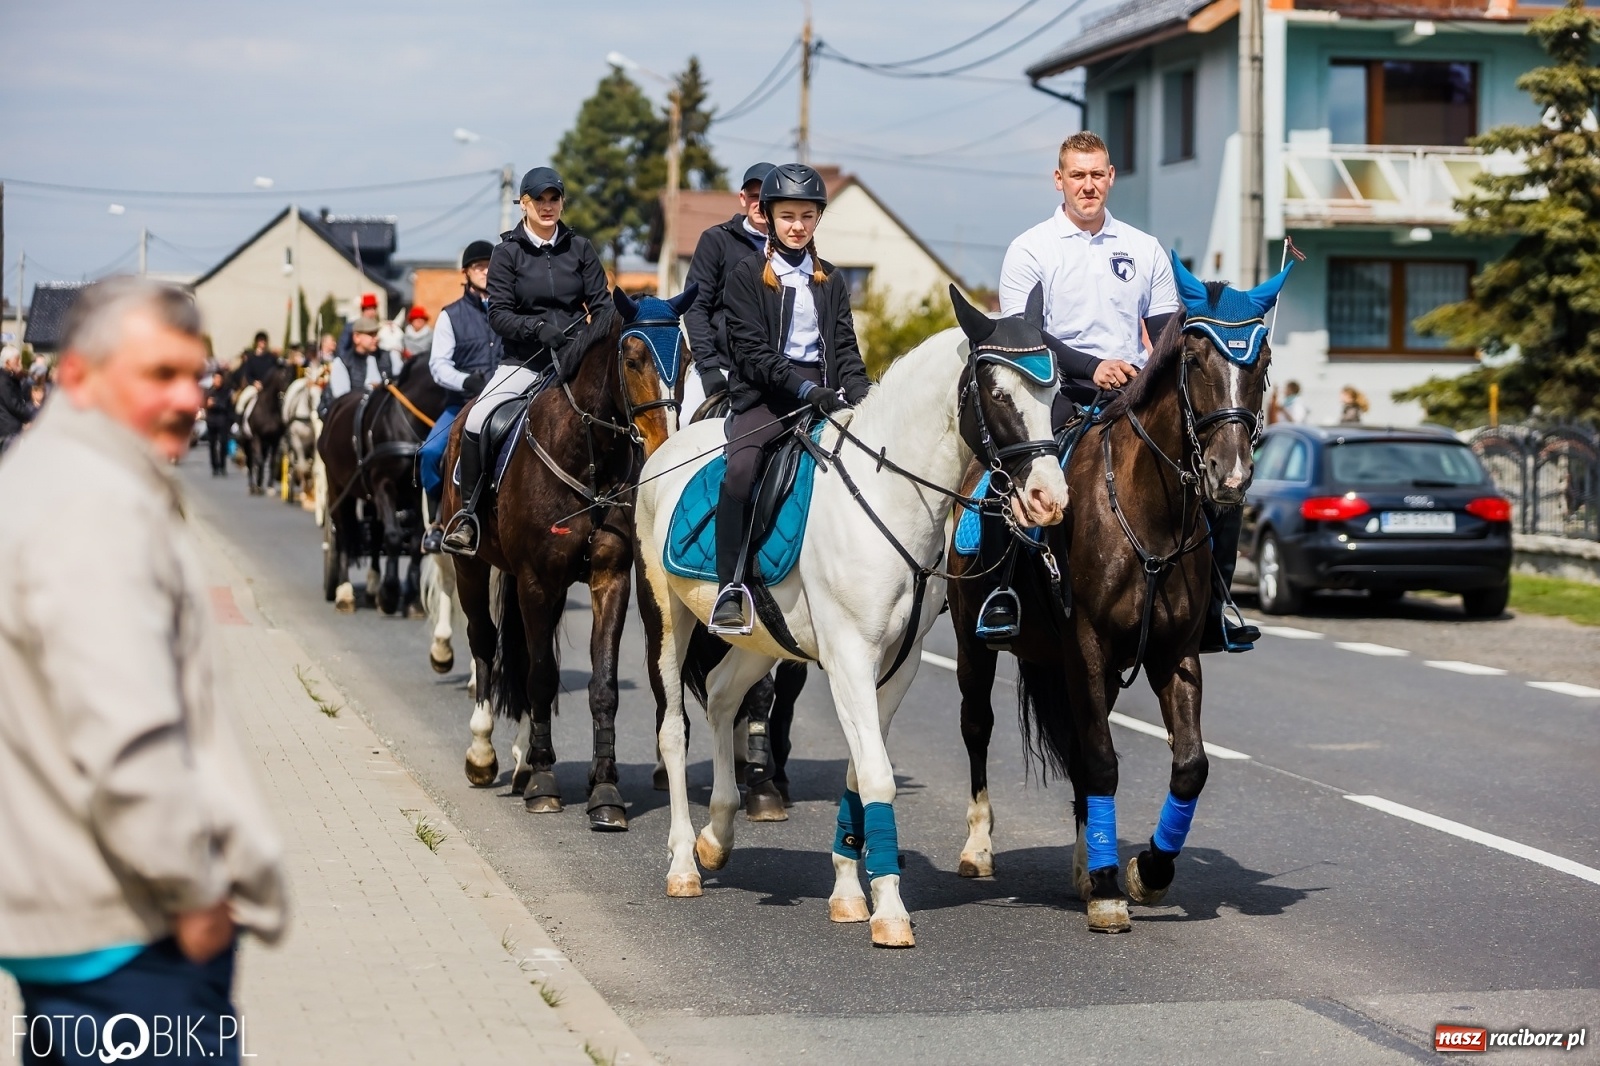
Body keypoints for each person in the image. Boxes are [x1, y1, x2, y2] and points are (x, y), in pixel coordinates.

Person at [0, 277, 287, 1065]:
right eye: (157, 375)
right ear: (79, 376)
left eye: (193, 374)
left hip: (74, 927)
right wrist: (194, 892)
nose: (190, 398)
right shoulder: (93, 507)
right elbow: (126, 737)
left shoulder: (44, 474)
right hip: (131, 932)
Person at [995, 130, 1255, 652]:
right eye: (1077, 176)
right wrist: (1092, 367)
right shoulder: (1029, 249)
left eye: (1097, 175)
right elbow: (1026, 335)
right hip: (1055, 391)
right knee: (1013, 482)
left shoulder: (1143, 248)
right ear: (1059, 180)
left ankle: (1215, 601)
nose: (1087, 186)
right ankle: (1004, 595)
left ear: (1110, 177)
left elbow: (1165, 333)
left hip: (1132, 391)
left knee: (1217, 475)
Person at [712, 163, 871, 634]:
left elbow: (845, 349)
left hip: (822, 392)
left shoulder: (832, 280)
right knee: (741, 471)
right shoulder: (744, 275)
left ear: (817, 218)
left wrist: (865, 398)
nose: (797, 226)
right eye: (787, 216)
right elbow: (752, 352)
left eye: (806, 216)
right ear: (768, 217)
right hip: (765, 396)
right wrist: (805, 390)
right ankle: (729, 586)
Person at [441, 166, 608, 556]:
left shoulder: (580, 248)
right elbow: (497, 313)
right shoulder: (506, 253)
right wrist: (537, 329)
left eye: (555, 199)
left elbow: (602, 308)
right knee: (479, 420)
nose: (548, 207)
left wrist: (583, 339)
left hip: (575, 361)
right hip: (523, 361)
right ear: (525, 204)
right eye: (540, 200)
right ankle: (468, 515)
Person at [419, 240, 502, 554]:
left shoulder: (509, 310)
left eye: (489, 266)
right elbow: (438, 366)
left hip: (508, 398)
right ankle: (436, 522)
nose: (485, 271)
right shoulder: (449, 316)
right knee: (429, 452)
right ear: (466, 272)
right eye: (478, 266)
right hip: (461, 403)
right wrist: (467, 379)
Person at [681, 161, 776, 416]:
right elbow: (695, 307)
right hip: (722, 366)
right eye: (754, 196)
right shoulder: (716, 240)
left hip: (776, 371)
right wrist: (709, 367)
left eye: (767, 197)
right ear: (742, 198)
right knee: (680, 423)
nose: (760, 203)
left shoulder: (790, 249)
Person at [325, 316, 402, 403]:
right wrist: (369, 392)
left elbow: (403, 386)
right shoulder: (342, 363)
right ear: (356, 337)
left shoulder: (391, 357)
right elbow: (343, 401)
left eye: (376, 334)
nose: (376, 338)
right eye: (370, 334)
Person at [0, 344, 35, 452]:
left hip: (11, 428)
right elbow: (13, 404)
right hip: (9, 430)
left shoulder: (10, 379)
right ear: (8, 363)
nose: (20, 363)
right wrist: (30, 416)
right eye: (17, 360)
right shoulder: (4, 381)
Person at [203, 369, 235, 475]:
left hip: (223, 420)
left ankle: (222, 465)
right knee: (212, 444)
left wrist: (215, 403)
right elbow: (204, 403)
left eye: (219, 379)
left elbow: (226, 405)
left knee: (223, 443)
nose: (217, 381)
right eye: (215, 379)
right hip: (211, 420)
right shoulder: (209, 391)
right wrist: (206, 405)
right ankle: (214, 466)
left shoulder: (226, 391)